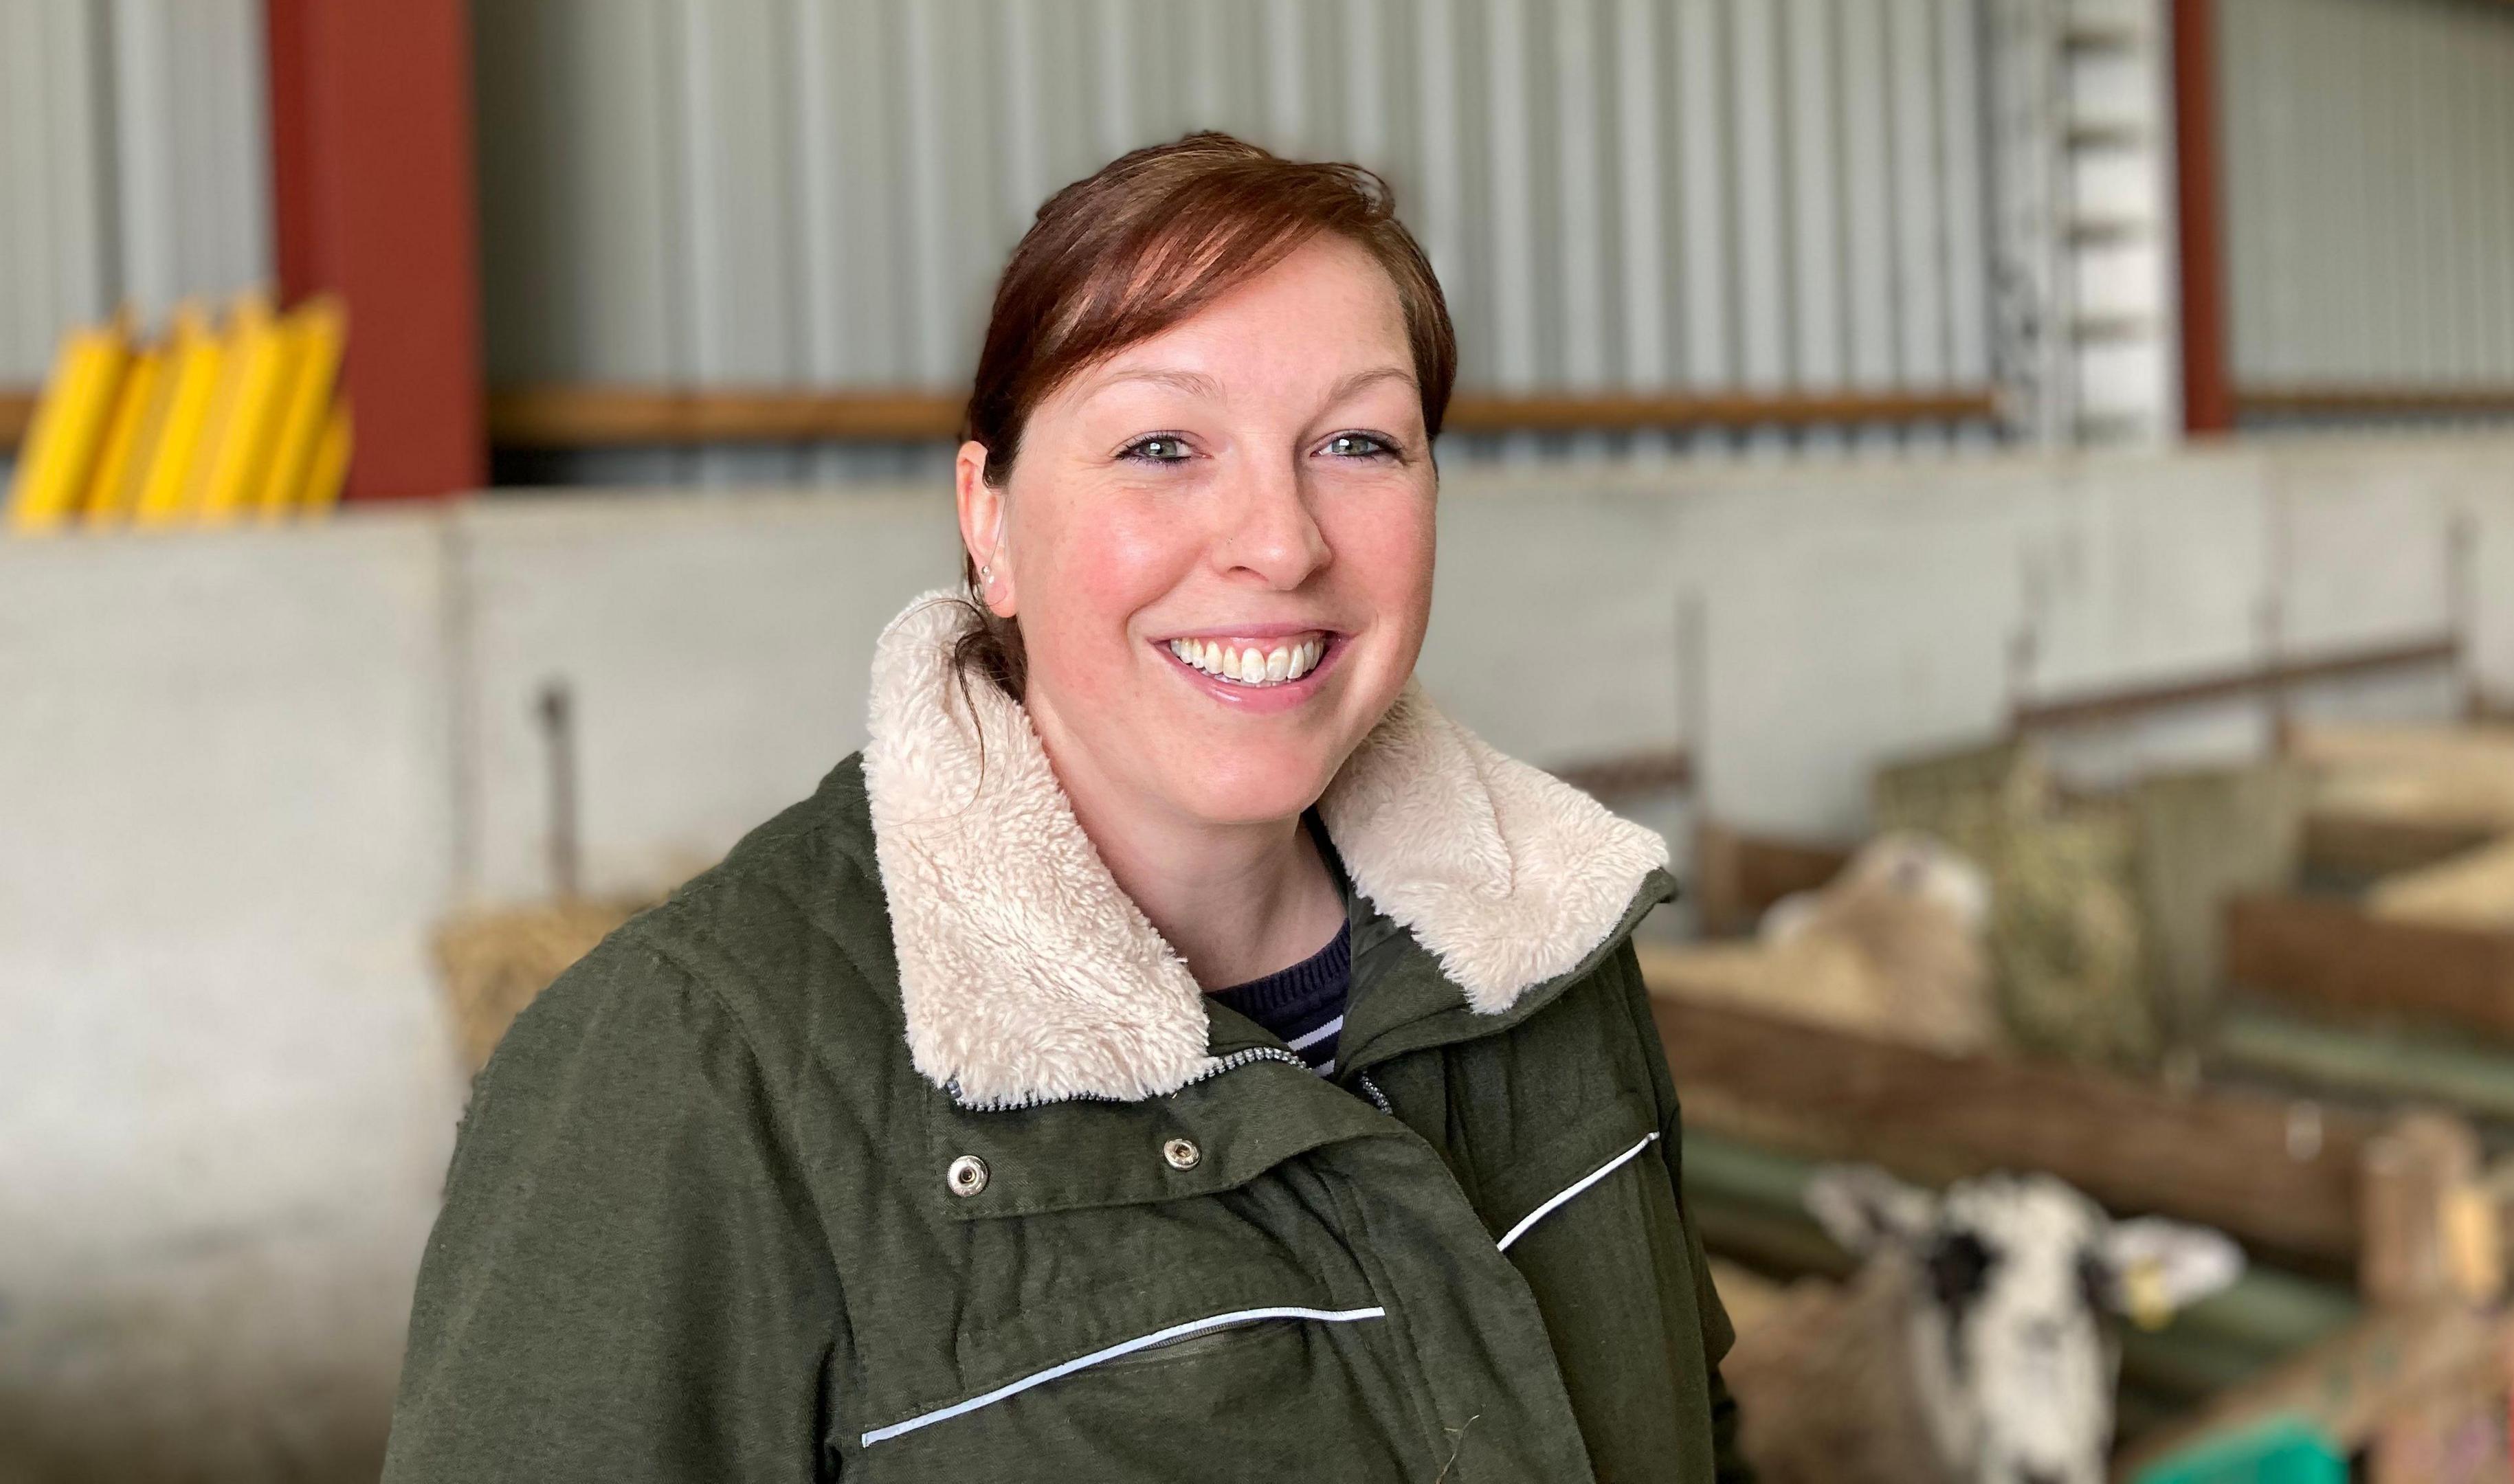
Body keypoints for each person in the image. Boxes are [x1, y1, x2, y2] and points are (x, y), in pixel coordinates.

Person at [381, 132, 1753, 1484]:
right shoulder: (694, 1071)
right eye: (1162, 443)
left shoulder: (1547, 948)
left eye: (1357, 441)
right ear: (989, 519)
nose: (1280, 540)